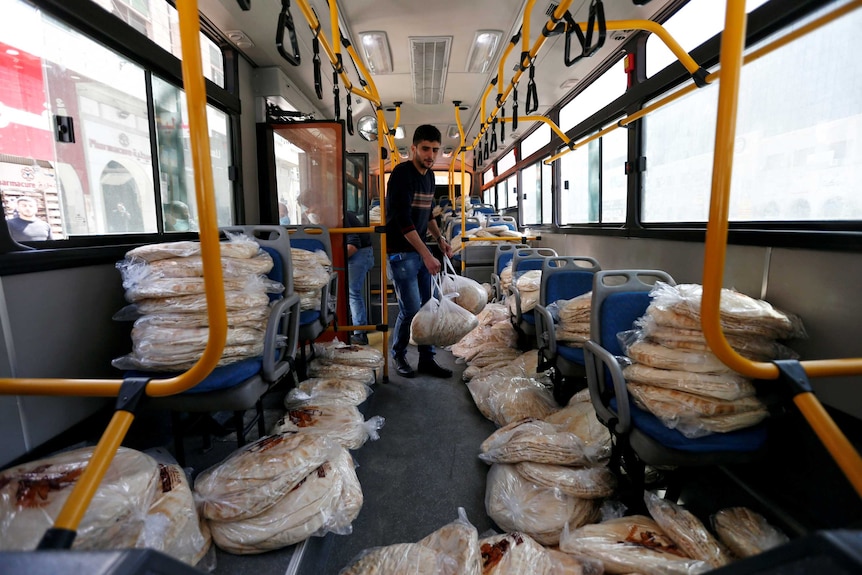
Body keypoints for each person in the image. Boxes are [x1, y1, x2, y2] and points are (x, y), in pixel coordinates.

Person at [385, 124, 453, 378]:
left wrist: (441, 240)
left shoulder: (430, 176)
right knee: (411, 308)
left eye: (435, 150)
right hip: (401, 253)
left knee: (429, 305)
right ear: (413, 148)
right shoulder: (402, 174)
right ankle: (398, 355)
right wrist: (426, 254)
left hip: (421, 249)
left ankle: (427, 359)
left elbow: (429, 215)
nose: (430, 155)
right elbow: (404, 222)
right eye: (425, 149)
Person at [345, 210, 374, 345]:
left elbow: (353, 244)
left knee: (353, 292)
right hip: (361, 251)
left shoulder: (340, 215)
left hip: (361, 253)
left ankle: (360, 333)